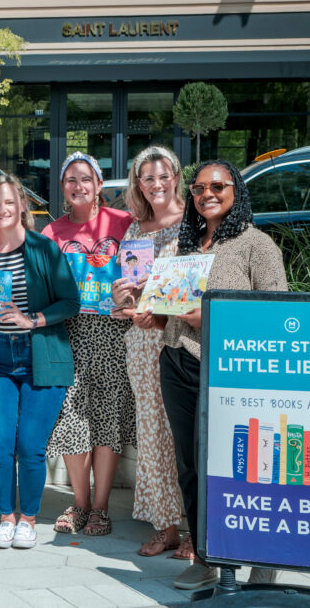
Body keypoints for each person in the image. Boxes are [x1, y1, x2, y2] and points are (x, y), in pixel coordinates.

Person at [148, 160, 287, 590]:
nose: (206, 193)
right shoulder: (188, 245)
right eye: (198, 187)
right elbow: (172, 314)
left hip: (229, 371)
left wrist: (208, 319)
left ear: (235, 190)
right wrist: (149, 314)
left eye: (217, 186)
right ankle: (206, 555)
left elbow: (275, 312)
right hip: (176, 363)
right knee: (190, 465)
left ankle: (263, 559)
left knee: (242, 466)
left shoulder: (256, 245)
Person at [0, 174, 80, 550]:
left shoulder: (45, 249)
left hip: (39, 356)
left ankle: (28, 518)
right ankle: (6, 518)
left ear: (22, 206)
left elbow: (70, 301)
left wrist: (34, 319)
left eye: (9, 202)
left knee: (30, 445)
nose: (2, 209)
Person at [43, 152, 136, 538]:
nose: (78, 186)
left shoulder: (125, 223)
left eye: (86, 179)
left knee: (108, 416)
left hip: (114, 333)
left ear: (99, 184)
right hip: (70, 334)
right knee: (71, 417)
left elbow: (142, 273)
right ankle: (79, 503)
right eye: (70, 180)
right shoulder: (52, 233)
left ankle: (100, 508)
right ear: (63, 188)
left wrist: (131, 301)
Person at [109, 147, 186, 558]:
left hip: (181, 339)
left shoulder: (193, 224)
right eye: (147, 178)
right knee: (153, 431)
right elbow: (125, 285)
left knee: (187, 434)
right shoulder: (136, 231)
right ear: (138, 183)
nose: (156, 184)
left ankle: (198, 529)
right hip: (141, 343)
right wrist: (121, 294)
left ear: (176, 176)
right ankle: (166, 526)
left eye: (163, 176)